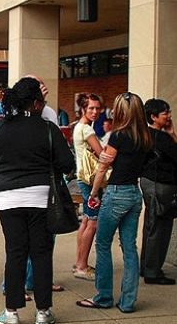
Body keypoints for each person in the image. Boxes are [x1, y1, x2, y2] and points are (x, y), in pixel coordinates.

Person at [0, 77, 74, 324]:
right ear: (34, 102)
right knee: (41, 253)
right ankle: (43, 312)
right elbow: (67, 164)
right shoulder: (47, 128)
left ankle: (11, 312)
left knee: (15, 252)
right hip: (41, 197)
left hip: (7, 197)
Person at [76, 92, 151, 313]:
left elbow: (102, 168)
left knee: (102, 244)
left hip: (116, 192)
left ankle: (103, 297)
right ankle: (128, 302)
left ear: (120, 111)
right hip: (134, 194)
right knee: (129, 247)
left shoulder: (118, 136)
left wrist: (94, 193)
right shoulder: (145, 137)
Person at [140, 99, 177, 285]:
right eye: (165, 113)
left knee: (151, 225)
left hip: (149, 183)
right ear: (154, 117)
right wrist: (172, 134)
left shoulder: (144, 134)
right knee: (159, 228)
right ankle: (153, 271)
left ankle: (146, 266)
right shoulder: (161, 138)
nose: (169, 116)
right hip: (161, 185)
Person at [72, 93, 105, 281]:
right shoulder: (87, 130)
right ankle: (82, 266)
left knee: (85, 221)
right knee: (92, 223)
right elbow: (102, 155)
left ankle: (79, 262)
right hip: (90, 180)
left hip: (82, 178)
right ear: (83, 108)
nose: (95, 112)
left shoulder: (79, 127)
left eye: (97, 108)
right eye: (91, 108)